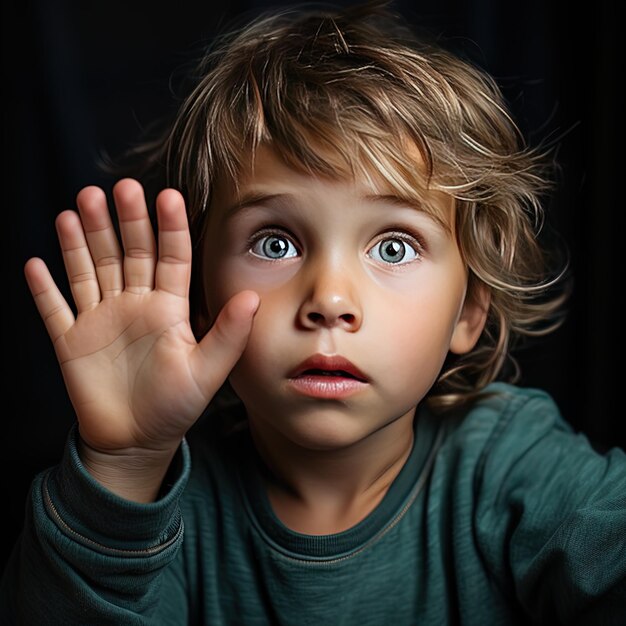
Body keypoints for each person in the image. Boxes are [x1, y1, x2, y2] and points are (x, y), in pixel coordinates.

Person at [1, 1, 625, 624]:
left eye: (393, 246)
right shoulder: (168, 499)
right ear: (198, 295)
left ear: (468, 313)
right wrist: (123, 465)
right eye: (276, 243)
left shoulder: (514, 467)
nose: (329, 300)